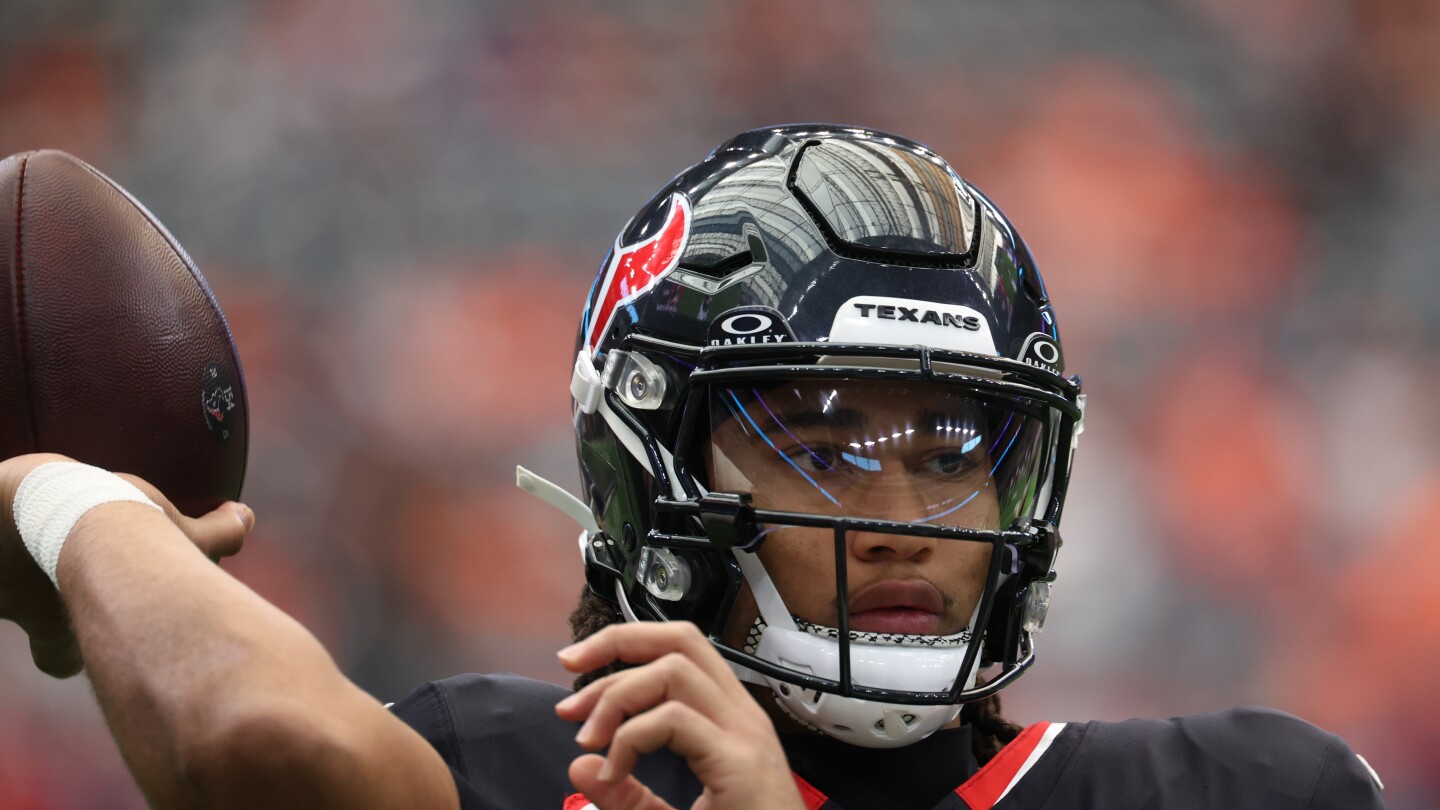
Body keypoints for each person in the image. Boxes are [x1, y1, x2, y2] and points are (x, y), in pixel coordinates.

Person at [0, 125, 1385, 809]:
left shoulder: (1245, 788)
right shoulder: (544, 769)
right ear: (650, 474)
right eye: (823, 448)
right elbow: (250, 743)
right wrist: (61, 492)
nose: (903, 517)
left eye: (955, 449)